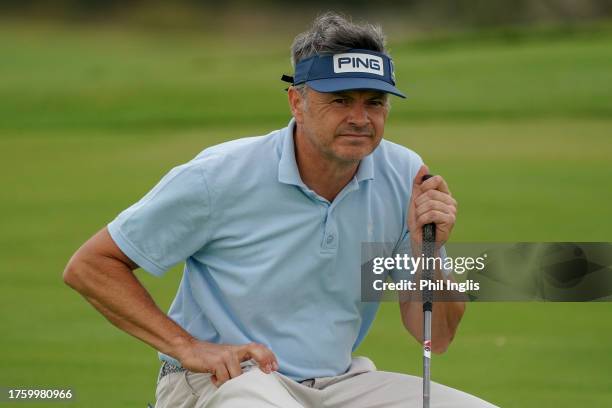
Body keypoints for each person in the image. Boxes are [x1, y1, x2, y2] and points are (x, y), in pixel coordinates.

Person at [64, 12, 496, 408]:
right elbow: (91, 265)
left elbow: (434, 337)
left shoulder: (404, 176)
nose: (361, 118)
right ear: (297, 103)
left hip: (335, 384)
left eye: (375, 102)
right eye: (340, 100)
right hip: (225, 380)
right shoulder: (220, 176)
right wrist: (187, 348)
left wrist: (426, 249)